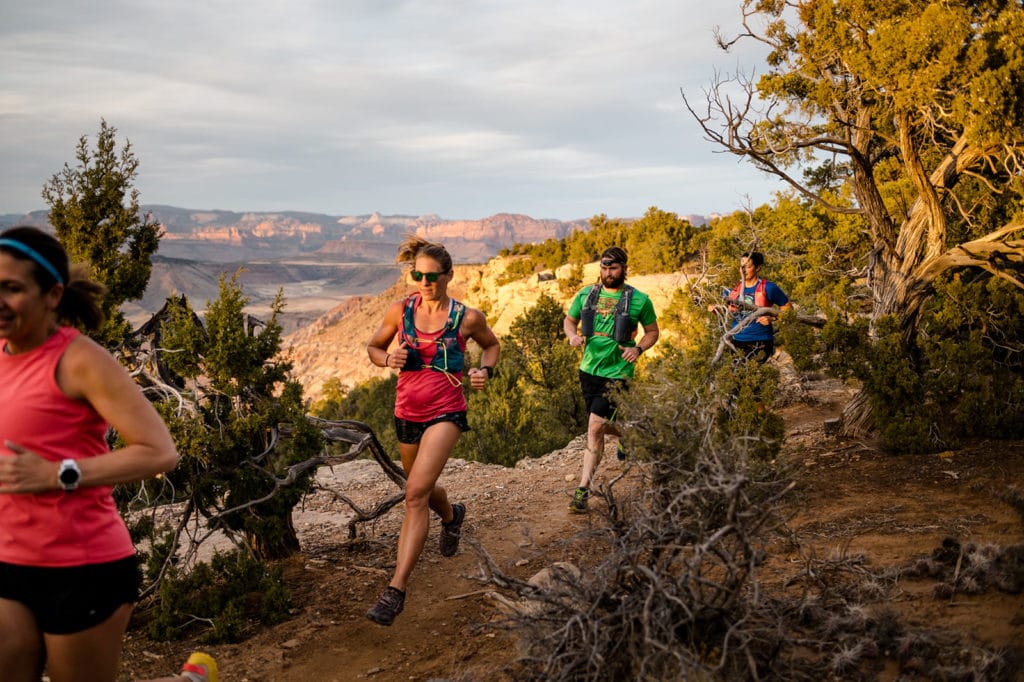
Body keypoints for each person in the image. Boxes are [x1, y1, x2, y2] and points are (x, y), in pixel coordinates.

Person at [0, 226, 217, 682]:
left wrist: (57, 474)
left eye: (12, 289)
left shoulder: (80, 361)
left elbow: (159, 452)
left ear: (53, 295)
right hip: (9, 561)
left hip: (82, 566)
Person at [364, 235, 500, 626]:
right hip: (407, 411)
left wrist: (483, 370)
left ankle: (396, 589)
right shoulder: (399, 311)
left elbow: (492, 346)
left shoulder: (467, 318)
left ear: (448, 276)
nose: (424, 282)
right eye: (417, 275)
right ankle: (452, 515)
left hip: (447, 410)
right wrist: (388, 358)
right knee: (419, 486)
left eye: (431, 276)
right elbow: (373, 348)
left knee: (413, 495)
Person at [563, 246, 659, 513]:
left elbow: (652, 332)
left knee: (594, 426)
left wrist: (638, 348)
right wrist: (572, 335)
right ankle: (630, 435)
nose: (608, 273)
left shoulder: (640, 300)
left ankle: (582, 490)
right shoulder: (586, 294)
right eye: (604, 268)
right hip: (589, 370)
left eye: (613, 268)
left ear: (624, 269)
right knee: (602, 426)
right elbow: (569, 321)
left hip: (618, 373)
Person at [723, 251, 791, 363]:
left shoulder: (768, 288)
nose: (744, 270)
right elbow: (725, 310)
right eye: (742, 267)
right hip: (737, 341)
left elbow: (788, 308)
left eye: (748, 267)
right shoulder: (734, 289)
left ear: (758, 268)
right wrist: (714, 309)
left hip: (761, 341)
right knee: (737, 377)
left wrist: (772, 318)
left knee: (754, 375)